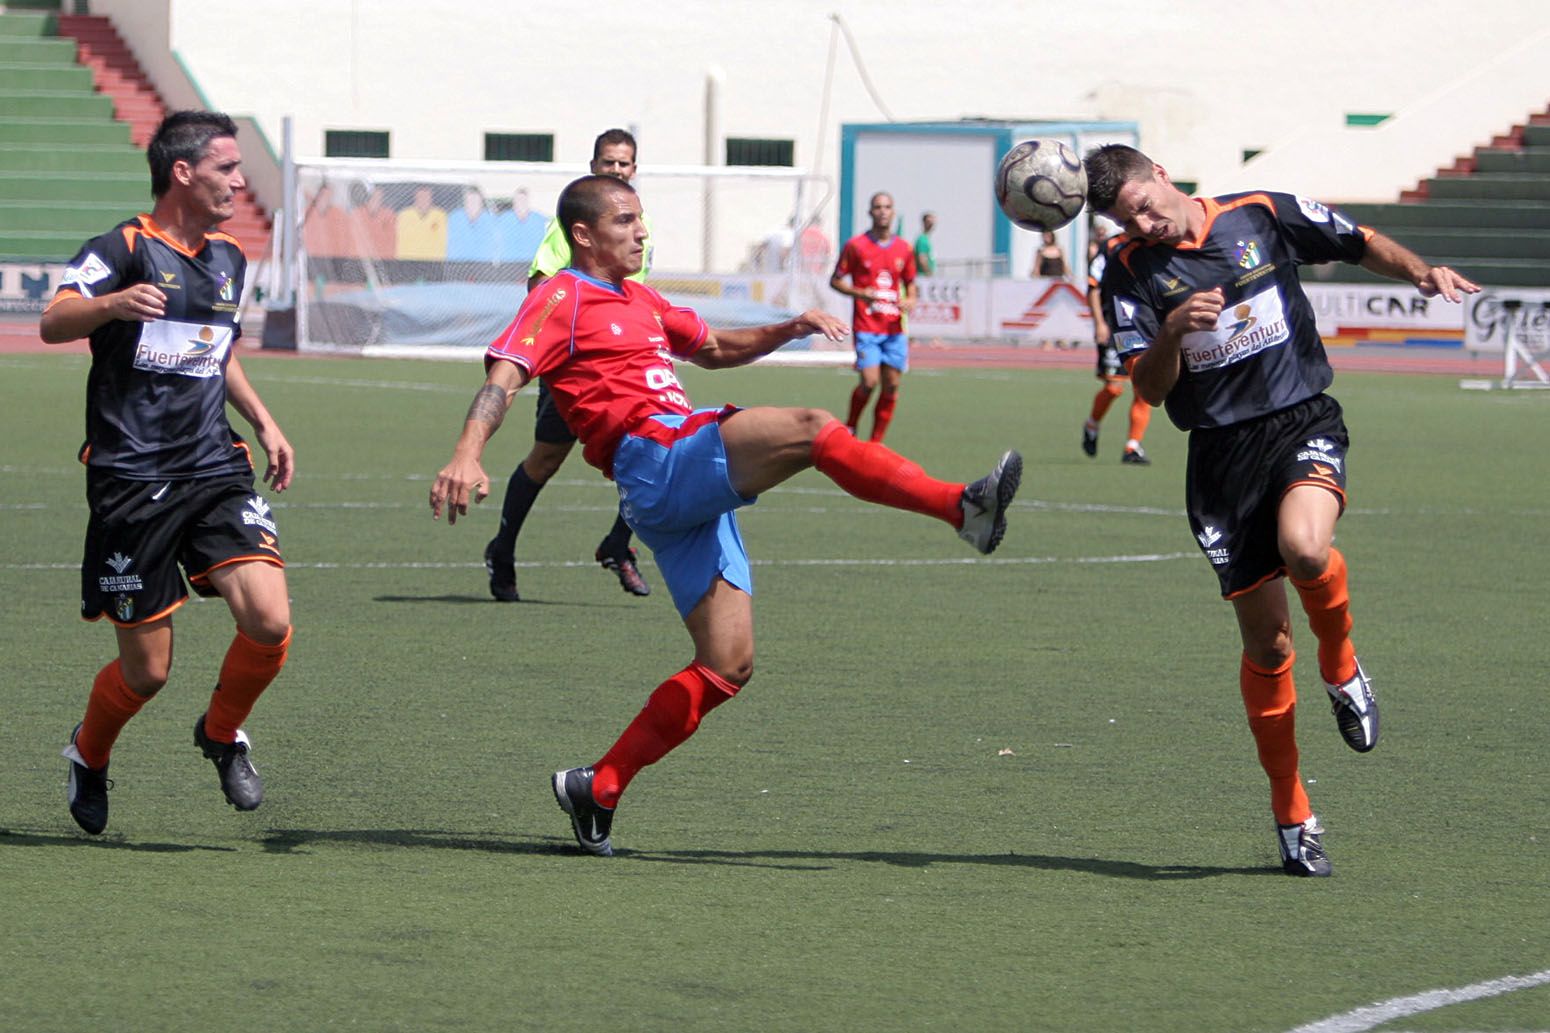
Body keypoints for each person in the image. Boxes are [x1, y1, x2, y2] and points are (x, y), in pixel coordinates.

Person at [429, 174, 1021, 857]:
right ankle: (962, 508)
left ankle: (599, 786)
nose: (642, 231)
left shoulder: (642, 298)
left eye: (641, 219)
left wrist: (792, 326)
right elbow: (505, 372)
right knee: (813, 428)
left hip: (674, 491)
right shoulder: (560, 293)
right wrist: (467, 451)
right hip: (656, 457)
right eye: (625, 220)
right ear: (585, 235)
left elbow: (713, 349)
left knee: (727, 664)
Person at [1084, 143, 1480, 877]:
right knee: (1267, 647)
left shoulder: (1260, 213)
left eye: (1143, 203)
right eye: (1125, 217)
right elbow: (1150, 389)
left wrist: (1420, 271)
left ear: (1162, 175)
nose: (1143, 223)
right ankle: (1294, 812)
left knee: (1305, 548)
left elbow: (1357, 242)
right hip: (1221, 461)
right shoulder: (1127, 269)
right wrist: (1173, 330)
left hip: (1300, 419)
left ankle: (1341, 662)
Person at [40, 110, 296, 835]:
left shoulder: (229, 258)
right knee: (147, 672)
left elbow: (219, 349)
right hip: (130, 480)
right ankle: (89, 754)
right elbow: (55, 319)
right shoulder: (120, 247)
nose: (240, 182)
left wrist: (264, 420)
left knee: (270, 620)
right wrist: (113, 304)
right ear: (183, 172)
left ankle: (221, 732)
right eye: (227, 169)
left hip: (213, 466)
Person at [482, 128, 654, 602]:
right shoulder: (571, 225)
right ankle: (503, 548)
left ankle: (619, 543)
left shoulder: (638, 222)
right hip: (578, 366)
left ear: (634, 169)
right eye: (608, 162)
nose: (616, 170)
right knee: (546, 459)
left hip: (628, 365)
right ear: (594, 164)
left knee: (655, 447)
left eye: (624, 164)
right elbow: (540, 284)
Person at [829, 191, 917, 442]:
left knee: (891, 385)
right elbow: (835, 281)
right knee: (869, 382)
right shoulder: (856, 246)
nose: (882, 211)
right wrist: (860, 293)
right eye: (877, 206)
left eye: (887, 206)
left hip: (893, 329)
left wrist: (910, 301)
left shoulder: (904, 248)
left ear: (893, 212)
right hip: (867, 327)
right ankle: (851, 426)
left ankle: (876, 443)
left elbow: (911, 285)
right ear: (870, 212)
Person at [1082, 222, 1152, 464]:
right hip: (1114, 325)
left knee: (1144, 389)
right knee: (1114, 388)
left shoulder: (1151, 245)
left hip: (1145, 326)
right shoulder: (1111, 246)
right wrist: (1099, 323)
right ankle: (1092, 424)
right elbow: (1093, 287)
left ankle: (1132, 446)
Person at [446, 185, 501, 262]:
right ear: (464, 202)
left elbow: (497, 248)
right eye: (469, 202)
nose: (472, 205)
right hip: (457, 267)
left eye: (475, 202)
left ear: (481, 203)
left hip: (483, 267)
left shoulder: (491, 221)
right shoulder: (454, 218)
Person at [395, 184, 447, 261]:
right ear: (415, 197)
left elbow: (444, 243)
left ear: (431, 197)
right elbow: (398, 243)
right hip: (409, 263)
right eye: (421, 196)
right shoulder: (403, 215)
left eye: (427, 196)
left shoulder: (441, 215)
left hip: (433, 264)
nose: (424, 199)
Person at [497, 187, 546, 265]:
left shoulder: (539, 219)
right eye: (518, 200)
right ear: (514, 202)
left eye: (523, 200)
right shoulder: (504, 218)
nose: (521, 203)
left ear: (527, 201)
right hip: (509, 262)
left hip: (532, 262)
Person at [913, 211, 937, 276]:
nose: (931, 225)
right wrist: (929, 274)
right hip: (923, 277)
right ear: (924, 223)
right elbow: (922, 259)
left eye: (932, 222)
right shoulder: (922, 239)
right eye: (929, 222)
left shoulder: (927, 239)